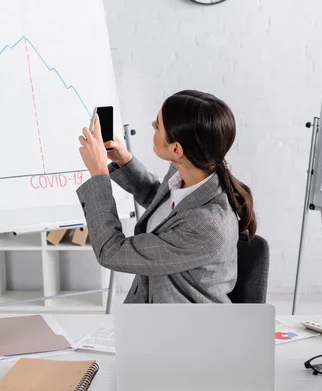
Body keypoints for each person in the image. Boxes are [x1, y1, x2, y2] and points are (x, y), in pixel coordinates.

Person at [76, 90, 257, 304]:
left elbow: (111, 251)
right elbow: (163, 205)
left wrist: (99, 174)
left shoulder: (208, 225)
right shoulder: (186, 172)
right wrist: (124, 161)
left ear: (177, 149)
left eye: (159, 125)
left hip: (183, 328)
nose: (153, 124)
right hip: (154, 317)